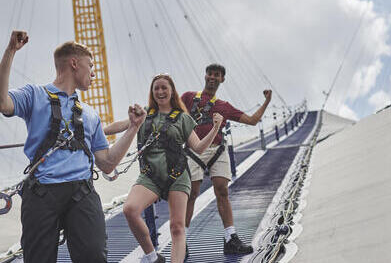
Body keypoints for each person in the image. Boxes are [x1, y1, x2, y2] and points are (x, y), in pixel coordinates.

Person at [0, 30, 146, 263]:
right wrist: (11, 51)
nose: (93, 73)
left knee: (94, 256)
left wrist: (133, 128)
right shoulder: (34, 95)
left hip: (81, 193)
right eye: (90, 65)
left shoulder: (90, 114)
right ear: (74, 63)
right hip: (42, 193)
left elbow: (107, 163)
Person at [106, 73, 223, 263]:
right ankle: (152, 256)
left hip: (177, 176)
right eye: (156, 88)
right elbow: (122, 125)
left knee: (177, 227)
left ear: (171, 91)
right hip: (150, 177)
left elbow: (199, 148)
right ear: (152, 92)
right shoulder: (144, 114)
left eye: (164, 88)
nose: (160, 92)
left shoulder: (183, 118)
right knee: (130, 209)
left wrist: (215, 128)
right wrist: (95, 130)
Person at [182, 63, 272, 255]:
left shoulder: (224, 106)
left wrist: (266, 102)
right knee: (191, 193)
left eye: (217, 75)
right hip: (194, 150)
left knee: (222, 190)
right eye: (210, 74)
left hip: (216, 150)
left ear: (222, 79)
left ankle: (230, 239)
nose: (213, 77)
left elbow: (252, 121)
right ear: (205, 76)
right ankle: (182, 241)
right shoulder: (189, 97)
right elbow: (170, 111)